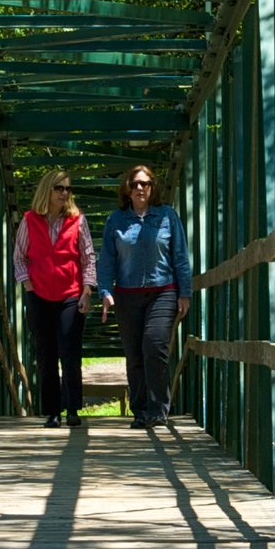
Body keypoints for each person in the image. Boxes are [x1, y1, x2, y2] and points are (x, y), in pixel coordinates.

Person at [94, 160, 192, 431]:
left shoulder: (167, 216)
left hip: (163, 291)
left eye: (145, 184)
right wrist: (105, 291)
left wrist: (185, 292)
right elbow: (106, 261)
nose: (140, 188)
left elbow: (180, 256)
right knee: (135, 354)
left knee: (155, 345)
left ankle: (158, 409)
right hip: (127, 295)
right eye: (135, 184)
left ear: (152, 187)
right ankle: (140, 412)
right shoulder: (117, 220)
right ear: (127, 189)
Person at [12, 166, 95, 424]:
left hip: (71, 294)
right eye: (59, 188)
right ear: (47, 190)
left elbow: (88, 256)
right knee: (45, 354)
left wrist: (88, 290)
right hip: (40, 295)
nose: (64, 193)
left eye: (68, 188)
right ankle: (52, 412)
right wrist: (28, 287)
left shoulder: (77, 220)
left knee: (69, 352)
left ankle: (72, 410)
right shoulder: (29, 220)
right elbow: (19, 257)